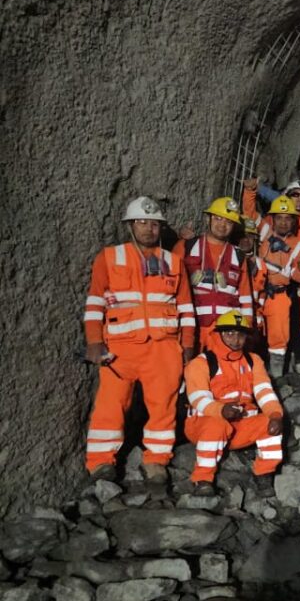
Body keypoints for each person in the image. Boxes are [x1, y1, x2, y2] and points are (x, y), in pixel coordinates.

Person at [83, 197, 196, 484]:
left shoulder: (173, 262)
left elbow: (186, 308)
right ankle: (100, 463)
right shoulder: (109, 257)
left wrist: (188, 346)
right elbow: (95, 302)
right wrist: (94, 341)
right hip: (120, 349)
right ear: (130, 225)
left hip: (164, 347)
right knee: (111, 403)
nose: (149, 229)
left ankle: (156, 460)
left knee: (164, 406)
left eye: (154, 224)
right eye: (142, 223)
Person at [184, 311, 284, 496]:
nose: (235, 339)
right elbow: (198, 398)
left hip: (239, 427)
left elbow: (264, 391)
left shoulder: (253, 361)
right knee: (216, 425)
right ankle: (203, 479)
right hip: (204, 425)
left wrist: (275, 414)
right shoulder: (201, 363)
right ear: (218, 334)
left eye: (240, 334)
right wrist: (221, 410)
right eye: (229, 333)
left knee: (269, 424)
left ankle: (264, 474)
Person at [173, 197, 254, 349]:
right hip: (192, 326)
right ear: (208, 219)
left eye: (228, 222)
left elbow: (245, 297)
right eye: (218, 219)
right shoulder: (186, 246)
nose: (222, 226)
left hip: (225, 330)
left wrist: (246, 327)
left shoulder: (238, 256)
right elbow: (170, 288)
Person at [251, 195, 300, 377]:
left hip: (279, 296)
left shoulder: (298, 246)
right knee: (250, 329)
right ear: (272, 219)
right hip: (255, 292)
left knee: (278, 337)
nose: (283, 222)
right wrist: (250, 191)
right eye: (279, 218)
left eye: (287, 218)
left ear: (293, 221)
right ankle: (248, 373)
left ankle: (276, 376)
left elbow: (297, 278)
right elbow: (250, 213)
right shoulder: (266, 233)